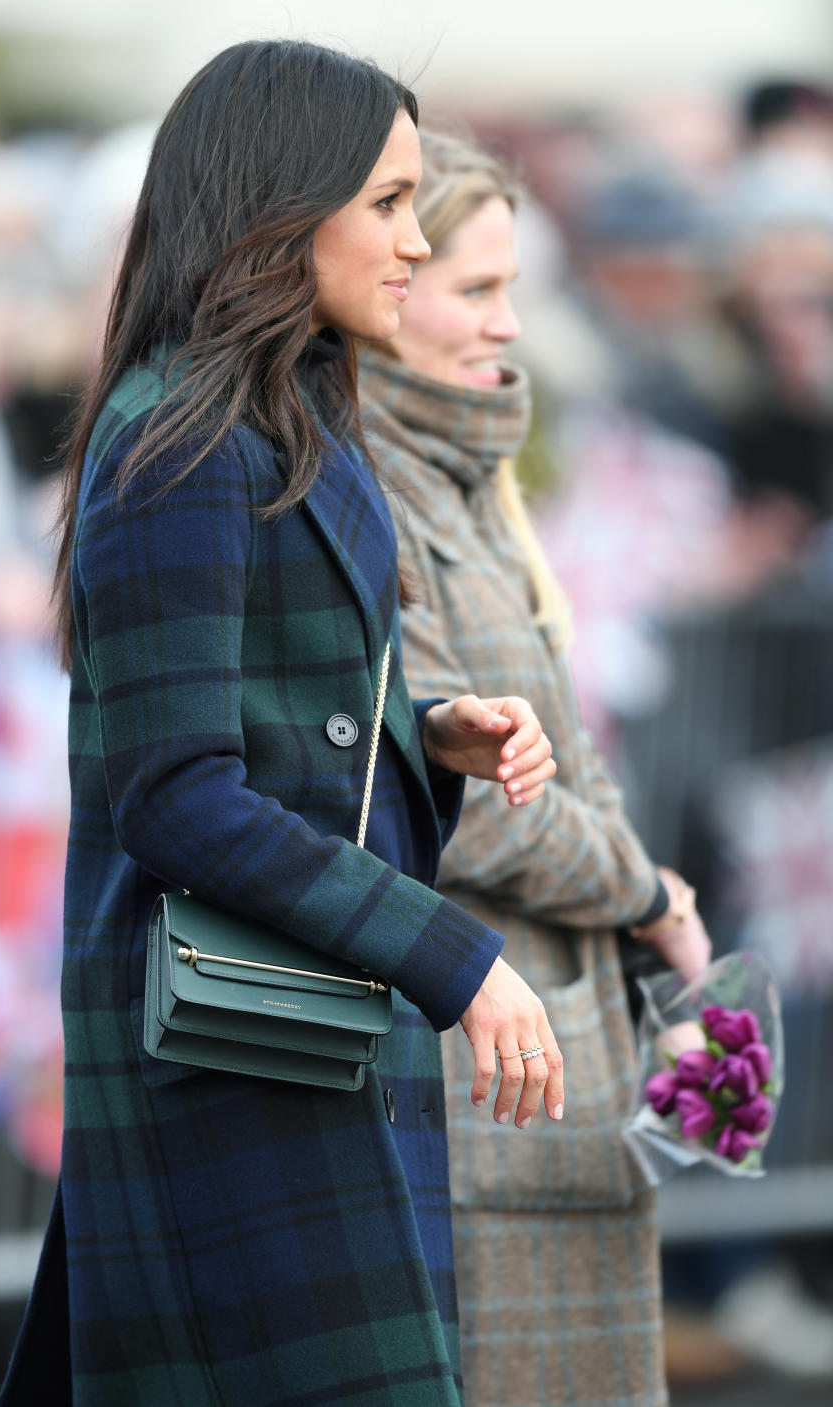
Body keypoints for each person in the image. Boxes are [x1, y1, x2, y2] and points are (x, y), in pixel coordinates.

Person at [0, 44, 565, 1407]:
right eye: (386, 201)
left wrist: (419, 732)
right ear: (277, 207)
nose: (415, 240)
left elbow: (242, 725)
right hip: (233, 1044)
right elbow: (175, 791)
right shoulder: (183, 438)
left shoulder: (276, 411)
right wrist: (462, 962)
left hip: (293, 1031)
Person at [359, 131, 713, 1407]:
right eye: (476, 289)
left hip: (542, 1075)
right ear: (388, 278)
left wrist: (633, 882)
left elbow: (562, 751)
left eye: (519, 289)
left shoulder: (467, 470)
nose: (509, 326)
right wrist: (647, 891)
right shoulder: (369, 486)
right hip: (468, 1071)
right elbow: (453, 802)